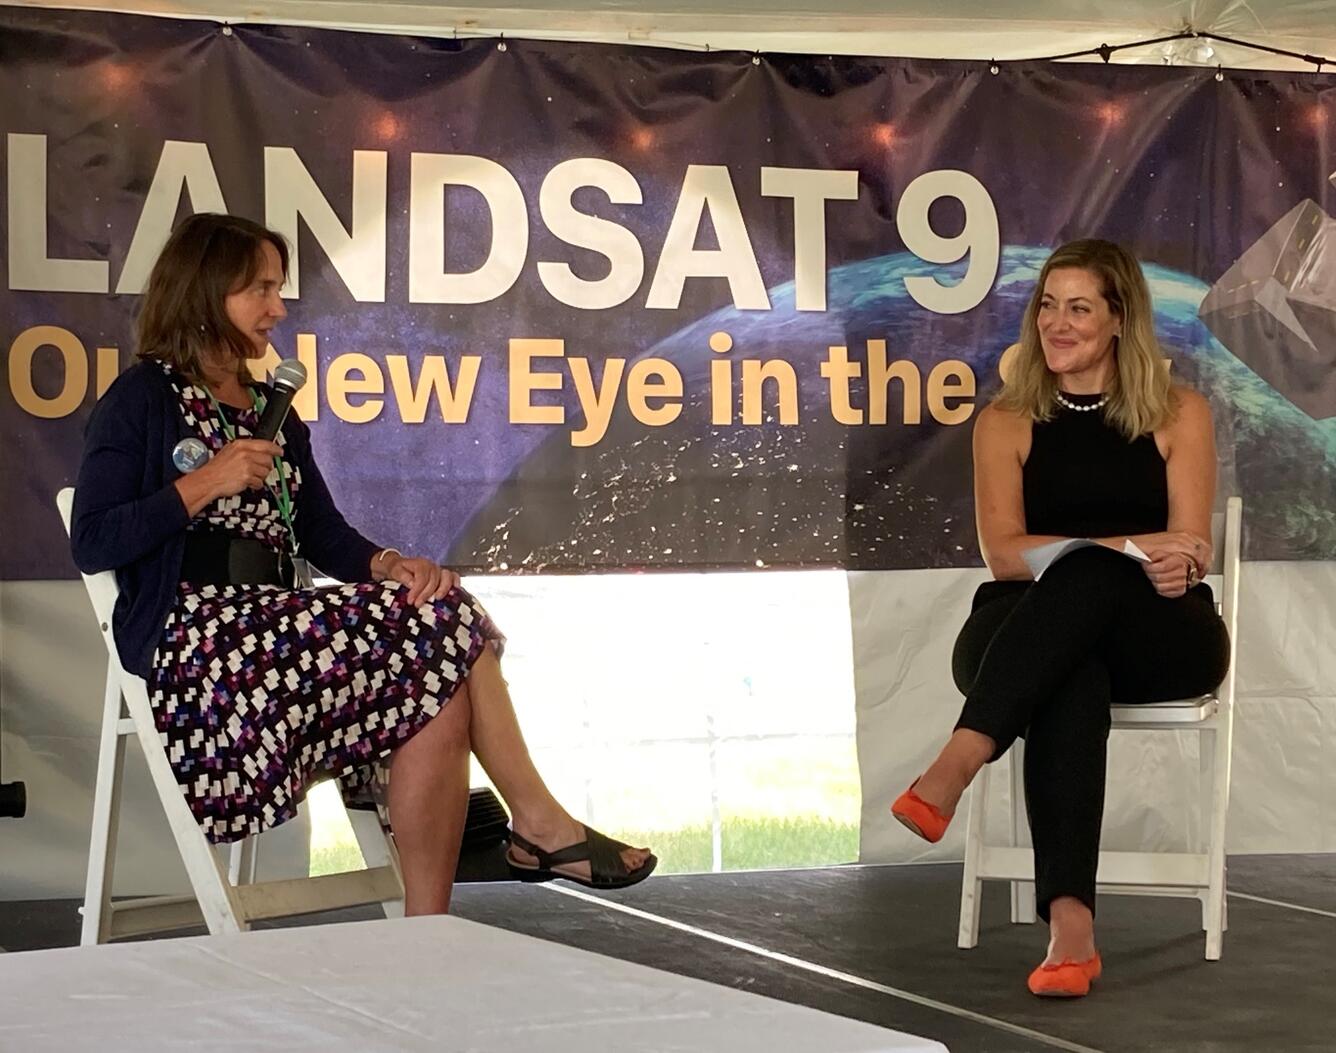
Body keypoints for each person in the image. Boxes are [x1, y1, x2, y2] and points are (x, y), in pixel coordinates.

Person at [70, 212, 655, 915]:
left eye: (278, 289)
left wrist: (386, 563)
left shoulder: (274, 411)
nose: (278, 309)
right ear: (203, 291)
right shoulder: (142, 398)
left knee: (435, 636)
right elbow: (93, 539)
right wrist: (205, 483)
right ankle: (536, 822)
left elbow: (323, 534)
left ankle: (429, 927)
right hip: (206, 654)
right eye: (259, 289)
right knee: (443, 628)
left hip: (286, 637)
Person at [890, 239, 1230, 997]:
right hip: (1025, 624)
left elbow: (1190, 543)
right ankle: (1070, 931)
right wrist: (1126, 547)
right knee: (1068, 666)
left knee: (1083, 583)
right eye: (1048, 304)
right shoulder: (1006, 421)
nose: (1057, 322)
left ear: (1119, 320)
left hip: (1160, 627)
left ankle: (956, 763)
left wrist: (1172, 560)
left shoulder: (1181, 412)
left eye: (1079, 307)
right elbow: (1006, 556)